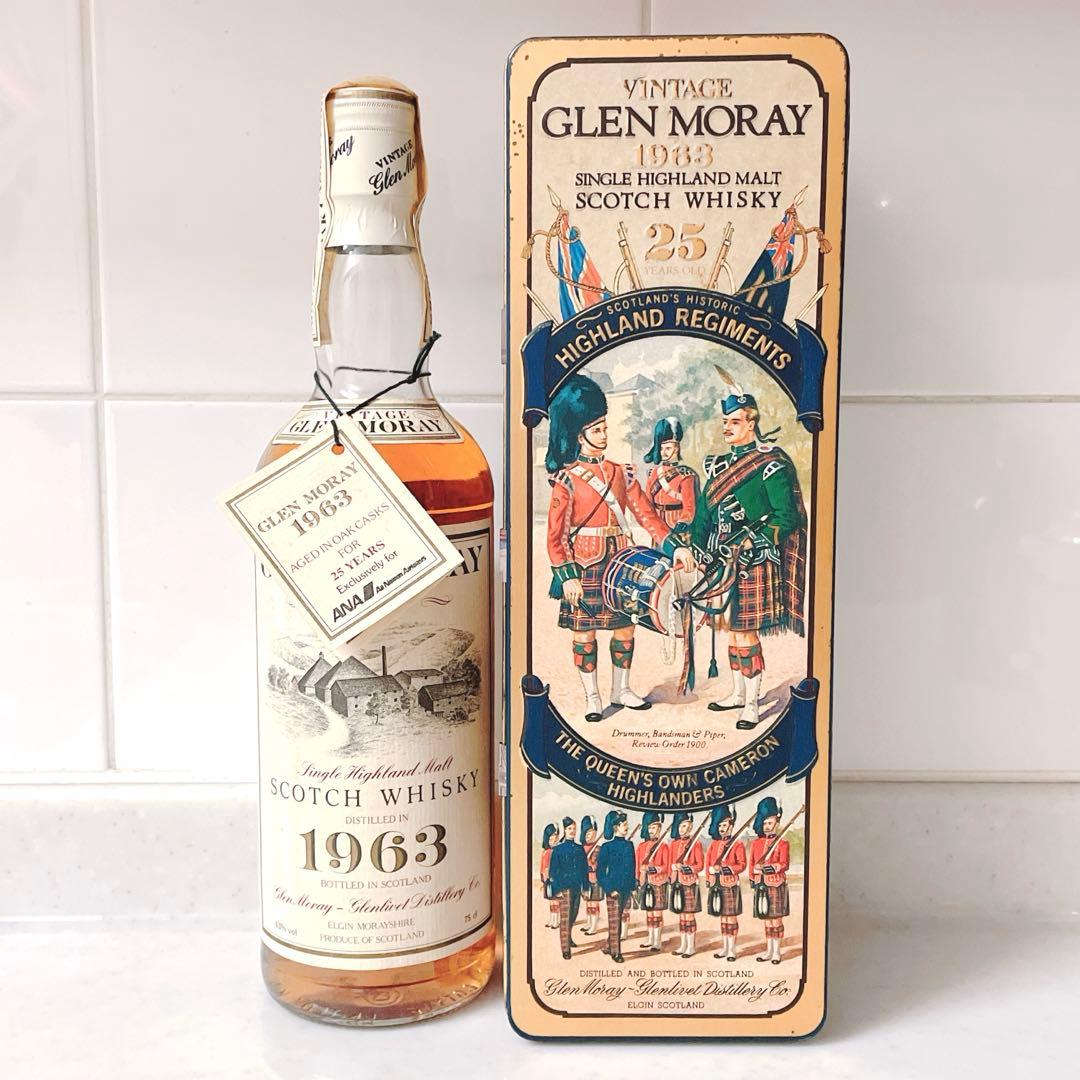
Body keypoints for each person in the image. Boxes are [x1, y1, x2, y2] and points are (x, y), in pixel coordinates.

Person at [546, 374, 694, 722]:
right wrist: (567, 576)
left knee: (625, 628)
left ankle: (621, 689)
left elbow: (647, 516)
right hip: (584, 564)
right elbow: (555, 536)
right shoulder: (566, 480)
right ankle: (592, 697)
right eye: (596, 430)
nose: (604, 435)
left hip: (622, 561)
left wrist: (674, 547)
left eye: (604, 428)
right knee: (584, 634)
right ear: (579, 435)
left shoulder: (621, 473)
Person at [690, 381, 807, 728]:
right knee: (732, 631)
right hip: (722, 560)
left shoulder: (771, 463)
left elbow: (787, 516)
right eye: (725, 422)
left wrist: (756, 539)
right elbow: (703, 514)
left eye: (735, 422)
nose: (727, 428)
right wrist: (698, 546)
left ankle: (752, 704)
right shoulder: (717, 466)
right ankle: (738, 694)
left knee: (746, 633)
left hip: (754, 560)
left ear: (751, 422)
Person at [748, 796, 790, 965]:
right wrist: (753, 877)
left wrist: (769, 868)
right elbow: (751, 863)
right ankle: (769, 950)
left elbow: (784, 864)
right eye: (765, 823)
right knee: (766, 919)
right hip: (761, 884)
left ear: (777, 822)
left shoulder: (783, 843)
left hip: (776, 882)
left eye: (770, 823)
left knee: (776, 919)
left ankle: (777, 952)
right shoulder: (756, 843)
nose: (767, 826)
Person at [642, 416, 699, 538]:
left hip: (677, 527)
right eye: (661, 448)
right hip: (658, 528)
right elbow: (648, 503)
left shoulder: (685, 475)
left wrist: (683, 522)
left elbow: (689, 507)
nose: (663, 452)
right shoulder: (654, 473)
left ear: (677, 448)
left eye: (668, 448)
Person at [705, 804, 746, 962]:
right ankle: (725, 948)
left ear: (731, 825)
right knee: (723, 918)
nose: (722, 829)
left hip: (730, 884)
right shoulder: (714, 844)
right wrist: (709, 877)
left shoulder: (737, 844)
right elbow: (708, 863)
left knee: (731, 918)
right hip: (716, 884)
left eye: (724, 825)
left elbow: (741, 865)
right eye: (720, 826)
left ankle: (732, 950)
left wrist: (723, 869)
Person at [596, 810, 637, 964]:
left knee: (618, 919)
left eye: (626, 824)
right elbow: (600, 872)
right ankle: (616, 952)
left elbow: (632, 868)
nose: (626, 826)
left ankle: (608, 946)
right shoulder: (606, 847)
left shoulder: (629, 845)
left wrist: (632, 887)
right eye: (623, 824)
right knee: (615, 922)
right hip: (613, 890)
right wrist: (609, 889)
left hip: (626, 889)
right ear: (615, 827)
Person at [548, 815, 588, 959]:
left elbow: (584, 870)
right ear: (565, 830)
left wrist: (585, 888)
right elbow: (553, 872)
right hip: (564, 888)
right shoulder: (558, 849)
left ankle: (568, 938)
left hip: (577, 886)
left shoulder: (579, 849)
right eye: (570, 828)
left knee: (573, 915)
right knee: (565, 919)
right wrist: (557, 889)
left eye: (574, 828)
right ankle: (565, 949)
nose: (572, 831)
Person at [667, 811, 705, 958]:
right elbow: (670, 863)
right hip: (676, 881)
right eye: (681, 826)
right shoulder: (674, 844)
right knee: (681, 916)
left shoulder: (696, 843)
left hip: (689, 882)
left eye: (686, 826)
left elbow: (700, 865)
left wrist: (686, 868)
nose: (684, 829)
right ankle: (683, 945)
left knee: (689, 916)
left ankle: (691, 947)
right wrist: (672, 868)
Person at [635, 811, 670, 952]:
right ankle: (650, 938)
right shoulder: (641, 847)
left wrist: (654, 869)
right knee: (649, 913)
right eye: (649, 828)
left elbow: (666, 866)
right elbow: (637, 865)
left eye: (654, 827)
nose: (651, 830)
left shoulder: (663, 846)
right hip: (645, 882)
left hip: (658, 882)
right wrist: (637, 878)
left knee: (657, 913)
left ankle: (657, 941)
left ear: (659, 829)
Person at [579, 815, 603, 935]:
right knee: (588, 903)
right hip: (585, 880)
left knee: (594, 903)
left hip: (595, 880)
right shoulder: (581, 848)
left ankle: (594, 926)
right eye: (588, 833)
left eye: (593, 833)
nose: (591, 836)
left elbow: (598, 864)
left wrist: (592, 866)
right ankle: (589, 923)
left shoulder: (598, 849)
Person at [540, 823, 560, 929]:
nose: (554, 838)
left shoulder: (558, 851)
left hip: (555, 879)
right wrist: (543, 879)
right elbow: (542, 866)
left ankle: (556, 920)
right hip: (547, 880)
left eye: (556, 835)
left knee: (556, 901)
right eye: (551, 836)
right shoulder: (545, 852)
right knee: (551, 901)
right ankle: (552, 919)